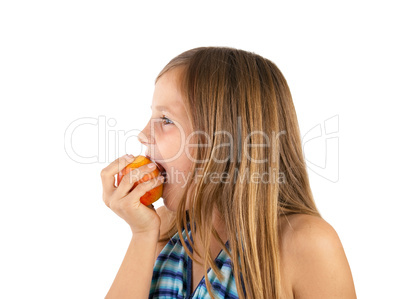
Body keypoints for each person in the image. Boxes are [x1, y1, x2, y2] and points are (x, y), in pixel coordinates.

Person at [101, 47, 357, 299]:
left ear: (225, 141)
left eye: (166, 119)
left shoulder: (306, 244)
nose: (143, 134)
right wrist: (142, 235)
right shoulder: (164, 230)